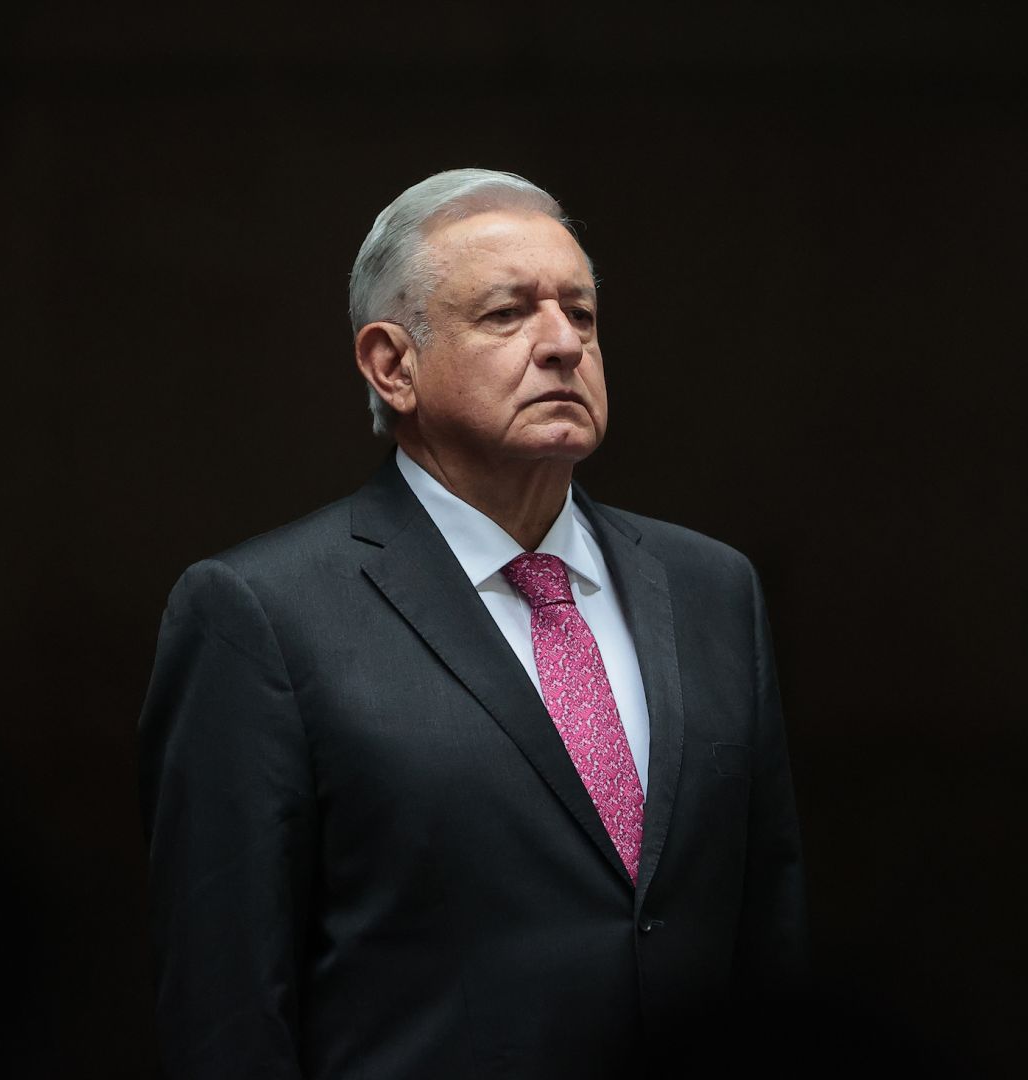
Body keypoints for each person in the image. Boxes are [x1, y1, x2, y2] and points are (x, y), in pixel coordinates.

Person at [139, 168, 808, 1080]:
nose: (563, 343)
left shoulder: (710, 589)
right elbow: (226, 1013)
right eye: (507, 314)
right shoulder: (262, 614)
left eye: (582, 312)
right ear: (392, 364)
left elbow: (770, 946)